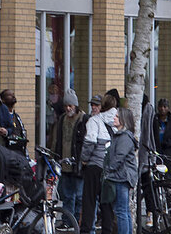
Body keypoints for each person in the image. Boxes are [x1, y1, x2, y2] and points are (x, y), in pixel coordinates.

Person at [80, 93, 117, 234]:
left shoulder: (94, 121)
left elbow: (90, 142)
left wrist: (84, 159)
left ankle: (86, 231)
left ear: (103, 107)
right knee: (106, 203)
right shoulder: (116, 121)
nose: (93, 107)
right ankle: (107, 230)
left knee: (89, 201)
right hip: (109, 168)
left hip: (94, 166)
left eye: (96, 105)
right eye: (92, 105)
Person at [49, 88, 86, 221]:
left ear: (76, 105)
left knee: (80, 195)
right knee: (67, 195)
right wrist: (54, 157)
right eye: (66, 106)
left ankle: (77, 220)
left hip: (78, 164)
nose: (68, 108)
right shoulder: (62, 119)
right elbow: (56, 140)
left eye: (70, 106)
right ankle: (67, 220)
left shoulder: (83, 119)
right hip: (64, 163)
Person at [103, 107, 138, 234]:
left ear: (123, 119)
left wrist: (108, 170)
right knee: (124, 210)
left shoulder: (124, 137)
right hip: (121, 176)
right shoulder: (121, 135)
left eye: (117, 116)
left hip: (121, 177)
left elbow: (119, 157)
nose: (114, 118)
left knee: (121, 211)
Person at [0, 88, 28, 153]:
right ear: (2, 100)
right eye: (9, 95)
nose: (13, 96)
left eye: (13, 94)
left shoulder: (17, 117)